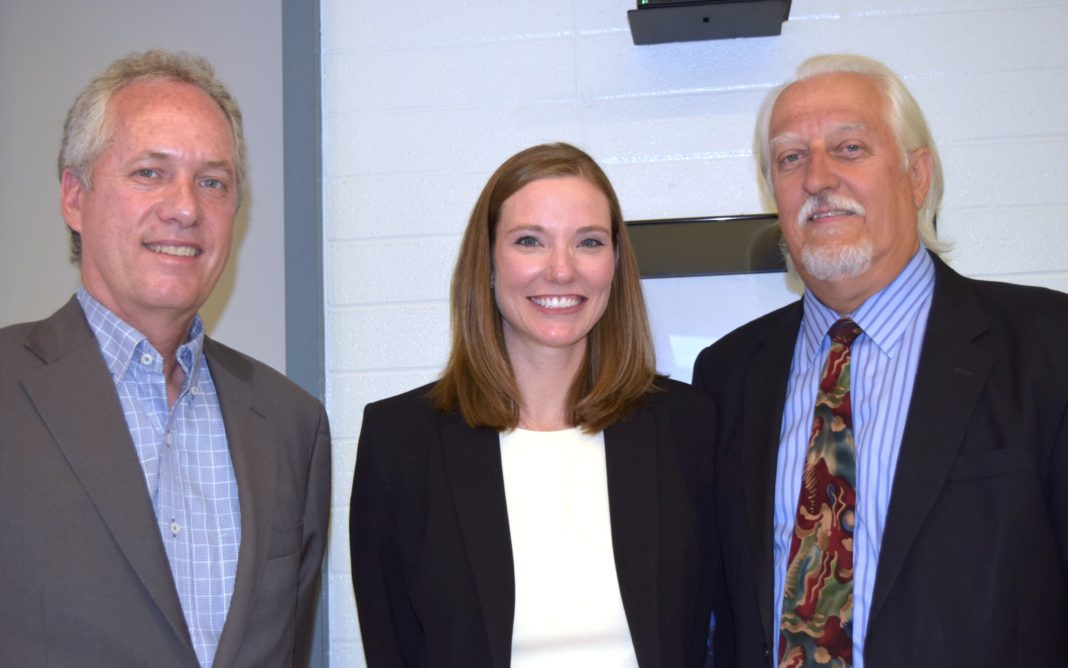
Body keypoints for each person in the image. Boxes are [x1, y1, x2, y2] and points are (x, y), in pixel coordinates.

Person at [693, 53, 1068, 667]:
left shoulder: (1048, 347)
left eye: (848, 148)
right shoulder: (729, 374)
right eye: (790, 158)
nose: (817, 178)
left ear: (917, 176)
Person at [0, 50, 330, 667]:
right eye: (151, 172)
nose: (186, 207)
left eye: (213, 181)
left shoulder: (292, 425)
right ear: (75, 197)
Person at [351, 142, 721, 667]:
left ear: (614, 262)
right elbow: (393, 648)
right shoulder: (401, 442)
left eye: (588, 242)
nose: (562, 270)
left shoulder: (687, 427)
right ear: (488, 261)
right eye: (530, 241)